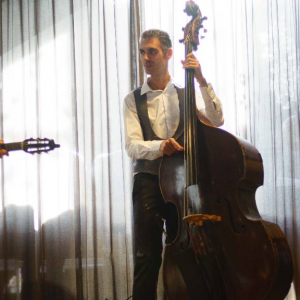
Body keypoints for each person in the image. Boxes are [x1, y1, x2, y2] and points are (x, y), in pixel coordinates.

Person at [123, 29, 224, 300]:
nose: (145, 57)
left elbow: (216, 120)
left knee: (187, 252)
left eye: (151, 51)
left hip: (181, 182)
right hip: (148, 182)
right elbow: (132, 146)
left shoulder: (184, 94)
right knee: (147, 257)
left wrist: (201, 79)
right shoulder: (133, 100)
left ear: (168, 54)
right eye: (142, 51)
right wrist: (160, 146)